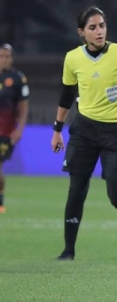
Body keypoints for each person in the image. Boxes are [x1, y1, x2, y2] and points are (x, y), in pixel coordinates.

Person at [50, 6, 117, 261]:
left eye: (102, 26)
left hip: (116, 132)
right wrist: (57, 130)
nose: (99, 31)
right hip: (84, 130)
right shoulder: (73, 59)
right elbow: (66, 95)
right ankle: (68, 251)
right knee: (76, 190)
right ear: (81, 33)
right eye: (93, 27)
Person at [0, 43, 29, 214]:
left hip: (5, 130)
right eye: (1, 56)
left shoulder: (18, 78)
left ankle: (0, 202)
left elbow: (23, 106)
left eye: (7, 56)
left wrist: (20, 129)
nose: (4, 59)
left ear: (11, 59)